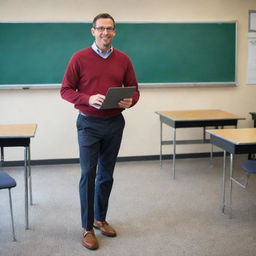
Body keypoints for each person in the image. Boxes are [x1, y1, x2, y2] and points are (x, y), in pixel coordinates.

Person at [60, 13, 140, 250]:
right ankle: (86, 228)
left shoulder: (124, 59)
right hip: (88, 124)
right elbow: (65, 90)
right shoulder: (79, 58)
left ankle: (100, 219)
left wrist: (130, 101)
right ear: (93, 31)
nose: (106, 33)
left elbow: (134, 90)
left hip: (115, 123)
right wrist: (87, 98)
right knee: (88, 175)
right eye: (101, 28)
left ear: (115, 32)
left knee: (106, 175)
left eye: (110, 29)